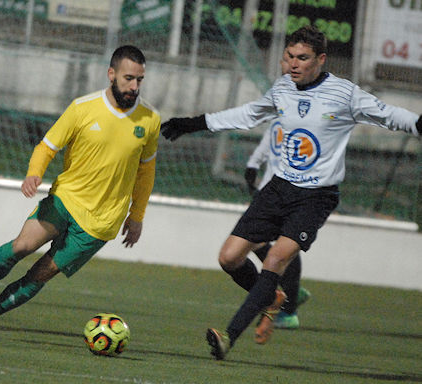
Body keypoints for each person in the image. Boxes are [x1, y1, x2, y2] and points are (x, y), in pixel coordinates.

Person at [161, 26, 420, 360]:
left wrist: (418, 123)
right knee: (229, 257)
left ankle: (229, 335)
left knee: (275, 259)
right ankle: (271, 298)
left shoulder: (345, 94)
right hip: (278, 189)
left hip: (315, 196)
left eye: (302, 58)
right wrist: (194, 123)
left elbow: (390, 115)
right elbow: (249, 113)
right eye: (289, 56)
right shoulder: (283, 87)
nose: (293, 64)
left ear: (320, 59)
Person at [0, 45, 160, 338]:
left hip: (101, 223)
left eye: (139, 80)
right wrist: (34, 173)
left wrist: (137, 215)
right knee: (22, 247)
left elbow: (146, 173)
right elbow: (47, 146)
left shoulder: (150, 119)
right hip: (65, 200)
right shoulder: (83, 107)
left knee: (41, 273)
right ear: (111, 74)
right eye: (129, 78)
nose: (134, 86)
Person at [243, 55, 311, 332]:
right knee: (255, 243)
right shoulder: (277, 119)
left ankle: (289, 309)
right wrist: (251, 169)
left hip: (292, 194)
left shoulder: (308, 120)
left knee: (286, 249)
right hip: (269, 194)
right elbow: (265, 148)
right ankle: (292, 291)